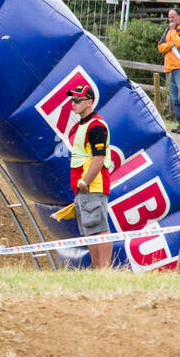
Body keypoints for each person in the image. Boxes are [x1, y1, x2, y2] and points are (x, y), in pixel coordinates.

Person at [67, 83, 113, 270]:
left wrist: (85, 181)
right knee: (91, 232)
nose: (73, 103)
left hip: (92, 186)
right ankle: (98, 270)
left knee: (98, 229)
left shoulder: (95, 126)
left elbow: (99, 157)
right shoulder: (83, 124)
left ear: (89, 102)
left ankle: (103, 270)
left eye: (77, 100)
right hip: (84, 188)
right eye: (72, 100)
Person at [158, 7, 180, 134]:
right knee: (175, 98)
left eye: (172, 16)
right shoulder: (167, 30)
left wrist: (173, 32)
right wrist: (170, 45)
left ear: (179, 16)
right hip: (169, 67)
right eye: (169, 17)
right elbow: (160, 47)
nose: (170, 19)